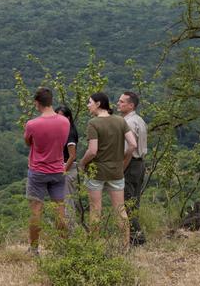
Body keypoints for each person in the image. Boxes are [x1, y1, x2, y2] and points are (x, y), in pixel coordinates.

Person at [79, 92, 137, 246]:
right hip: (116, 171)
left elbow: (92, 151)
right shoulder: (120, 121)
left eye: (90, 102)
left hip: (96, 172)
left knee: (95, 210)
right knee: (120, 210)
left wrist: (82, 163)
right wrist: (123, 160)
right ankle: (125, 246)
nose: (88, 105)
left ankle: (94, 246)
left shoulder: (93, 123)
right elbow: (133, 144)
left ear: (98, 104)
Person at [24, 87, 71, 255]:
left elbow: (28, 142)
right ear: (51, 101)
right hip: (58, 170)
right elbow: (63, 143)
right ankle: (64, 248)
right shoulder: (65, 122)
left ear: (37, 103)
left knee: (36, 211)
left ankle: (34, 249)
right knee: (60, 211)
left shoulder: (32, 124)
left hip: (38, 171)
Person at [117, 91, 148, 245]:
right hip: (140, 164)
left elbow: (129, 148)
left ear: (131, 105)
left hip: (130, 163)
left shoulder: (128, 123)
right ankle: (134, 237)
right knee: (134, 202)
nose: (118, 103)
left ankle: (137, 239)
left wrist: (122, 168)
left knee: (127, 203)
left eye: (122, 101)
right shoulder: (139, 120)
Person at [55, 105, 81, 227]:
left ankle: (71, 230)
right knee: (63, 202)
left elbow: (72, 156)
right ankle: (65, 229)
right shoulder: (64, 130)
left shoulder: (70, 133)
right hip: (64, 167)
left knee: (67, 202)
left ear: (68, 118)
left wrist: (63, 171)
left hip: (68, 168)